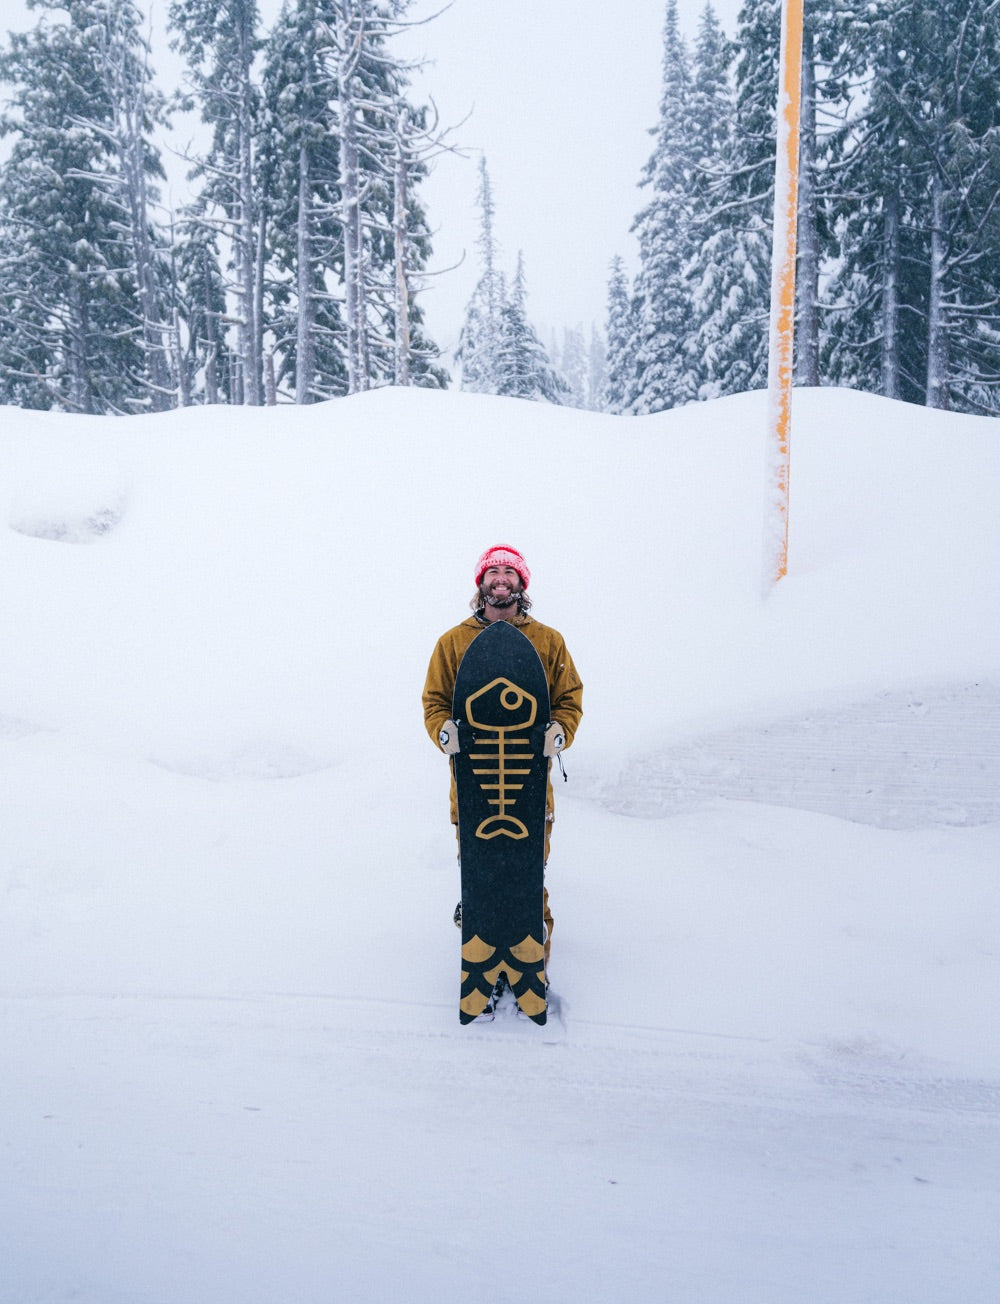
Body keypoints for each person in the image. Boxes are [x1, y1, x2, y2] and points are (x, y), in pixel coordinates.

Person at [422, 545, 583, 966]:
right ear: (481, 583)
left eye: (509, 571)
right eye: (492, 571)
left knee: (528, 876)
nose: (500, 577)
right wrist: (444, 732)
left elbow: (569, 698)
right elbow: (435, 700)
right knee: (479, 878)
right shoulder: (453, 643)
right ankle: (484, 967)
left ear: (521, 583)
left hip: (530, 793)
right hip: (472, 793)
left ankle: (533, 965)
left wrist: (559, 732)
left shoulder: (548, 641)